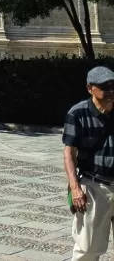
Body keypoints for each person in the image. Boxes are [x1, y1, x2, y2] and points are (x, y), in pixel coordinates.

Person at [63, 65, 114, 259]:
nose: (110, 91)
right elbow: (69, 153)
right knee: (88, 249)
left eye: (113, 86)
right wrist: (75, 188)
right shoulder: (78, 113)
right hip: (94, 186)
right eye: (105, 86)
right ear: (90, 88)